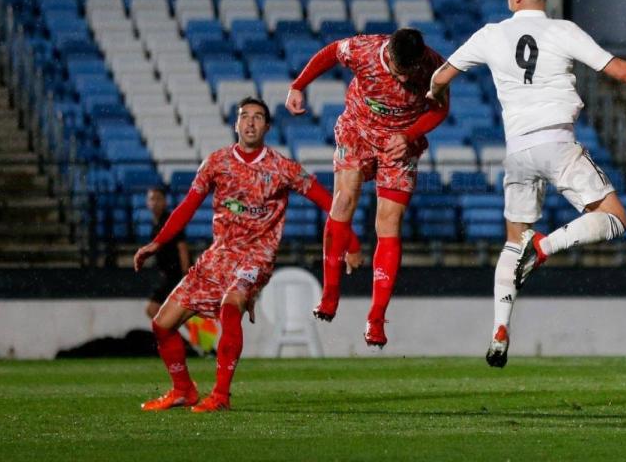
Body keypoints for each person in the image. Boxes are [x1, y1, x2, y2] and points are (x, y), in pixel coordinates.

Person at [428, 0, 626, 368]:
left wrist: (433, 97)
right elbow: (621, 71)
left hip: (518, 151)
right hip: (557, 143)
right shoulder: (563, 31)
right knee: (615, 218)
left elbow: (440, 77)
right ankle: (544, 246)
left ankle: (500, 330)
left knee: (510, 241)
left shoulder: (490, 34)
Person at [134, 97, 359, 412]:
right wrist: (157, 243)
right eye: (244, 116)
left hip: (257, 255)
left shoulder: (283, 168)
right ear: (235, 124)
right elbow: (187, 207)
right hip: (219, 254)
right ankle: (183, 390)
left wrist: (350, 241)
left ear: (267, 127)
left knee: (230, 307)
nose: (250, 122)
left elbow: (326, 199)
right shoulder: (216, 162)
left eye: (258, 117)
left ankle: (221, 396)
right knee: (162, 324)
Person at [285, 28, 448, 348]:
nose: (404, 81)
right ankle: (330, 295)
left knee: (389, 222)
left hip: (400, 145)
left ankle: (375, 318)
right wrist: (298, 85)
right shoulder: (363, 50)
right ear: (388, 55)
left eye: (410, 74)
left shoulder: (434, 66)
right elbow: (330, 52)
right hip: (357, 132)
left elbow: (440, 109)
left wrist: (410, 135)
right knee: (344, 200)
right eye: (401, 73)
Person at [143, 187, 190, 320]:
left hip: (176, 275)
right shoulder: (155, 224)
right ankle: (176, 339)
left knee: (154, 309)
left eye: (159, 199)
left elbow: (182, 247)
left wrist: (185, 274)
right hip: (168, 275)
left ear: (165, 202)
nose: (155, 202)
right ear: (147, 203)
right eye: (152, 199)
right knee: (167, 313)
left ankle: (177, 339)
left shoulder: (171, 221)